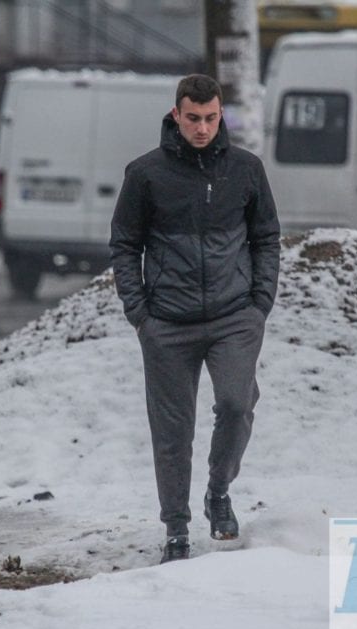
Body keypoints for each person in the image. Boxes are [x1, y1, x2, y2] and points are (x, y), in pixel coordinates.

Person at [109, 74, 281, 564]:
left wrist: (259, 302)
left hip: (234, 317)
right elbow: (125, 244)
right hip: (167, 322)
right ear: (176, 115)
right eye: (193, 119)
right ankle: (177, 531)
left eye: (210, 118)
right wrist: (140, 312)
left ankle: (218, 490)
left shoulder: (246, 170)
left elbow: (267, 238)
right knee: (172, 431)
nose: (202, 128)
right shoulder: (145, 173)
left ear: (221, 114)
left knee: (235, 405)